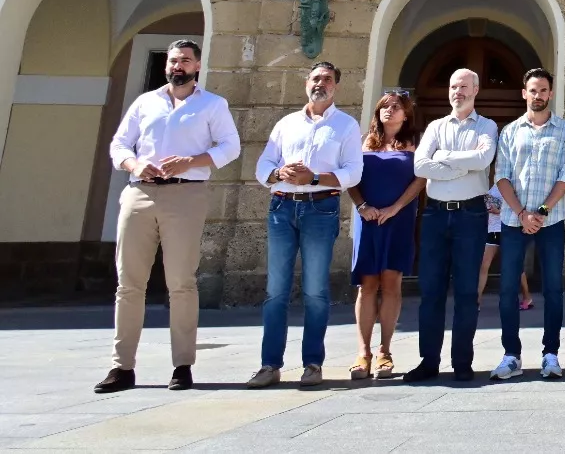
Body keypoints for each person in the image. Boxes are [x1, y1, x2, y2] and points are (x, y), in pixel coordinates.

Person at [96, 40, 240, 394]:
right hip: (139, 193)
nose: (179, 65)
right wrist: (134, 163)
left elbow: (230, 147)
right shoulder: (145, 102)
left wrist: (191, 161)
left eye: (186, 60)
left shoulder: (212, 105)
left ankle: (182, 365)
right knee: (129, 284)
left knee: (181, 283)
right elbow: (119, 145)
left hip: (186, 195)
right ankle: (122, 367)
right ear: (166, 66)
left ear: (197, 66)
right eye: (174, 60)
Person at [247, 62, 364, 389]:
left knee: (315, 291)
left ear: (336, 87)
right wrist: (280, 174)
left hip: (321, 209)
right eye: (316, 78)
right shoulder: (286, 123)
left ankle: (313, 363)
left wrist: (311, 177)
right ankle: (269, 365)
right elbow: (263, 166)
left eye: (327, 79)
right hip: (282, 208)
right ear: (306, 83)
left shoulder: (345, 125)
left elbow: (353, 172)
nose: (321, 84)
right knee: (275, 292)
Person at [407, 68, 499, 382]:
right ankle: (428, 361)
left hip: (470, 216)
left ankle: (462, 362)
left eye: (462, 86)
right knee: (430, 290)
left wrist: (444, 160)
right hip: (434, 215)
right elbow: (420, 164)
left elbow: (483, 160)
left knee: (465, 291)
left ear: (475, 90)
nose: (456, 92)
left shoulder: (487, 126)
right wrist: (461, 165)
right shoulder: (434, 126)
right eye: (452, 86)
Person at [489, 68, 565, 382]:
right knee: (508, 288)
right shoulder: (511, 131)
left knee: (553, 288)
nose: (537, 95)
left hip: (550, 221)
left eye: (543, 90)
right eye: (532, 90)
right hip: (514, 221)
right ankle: (511, 354)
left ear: (550, 94)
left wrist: (539, 211)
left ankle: (550, 353)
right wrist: (522, 213)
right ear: (524, 93)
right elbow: (501, 175)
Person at [347, 88, 424, 381]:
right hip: (367, 218)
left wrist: (396, 207)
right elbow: (349, 177)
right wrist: (363, 205)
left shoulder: (414, 143)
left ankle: (384, 351)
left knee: (391, 281)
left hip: (398, 218)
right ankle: (363, 352)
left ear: (406, 114)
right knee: (367, 284)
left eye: (395, 106)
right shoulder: (363, 142)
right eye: (384, 106)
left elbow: (421, 180)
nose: (389, 111)